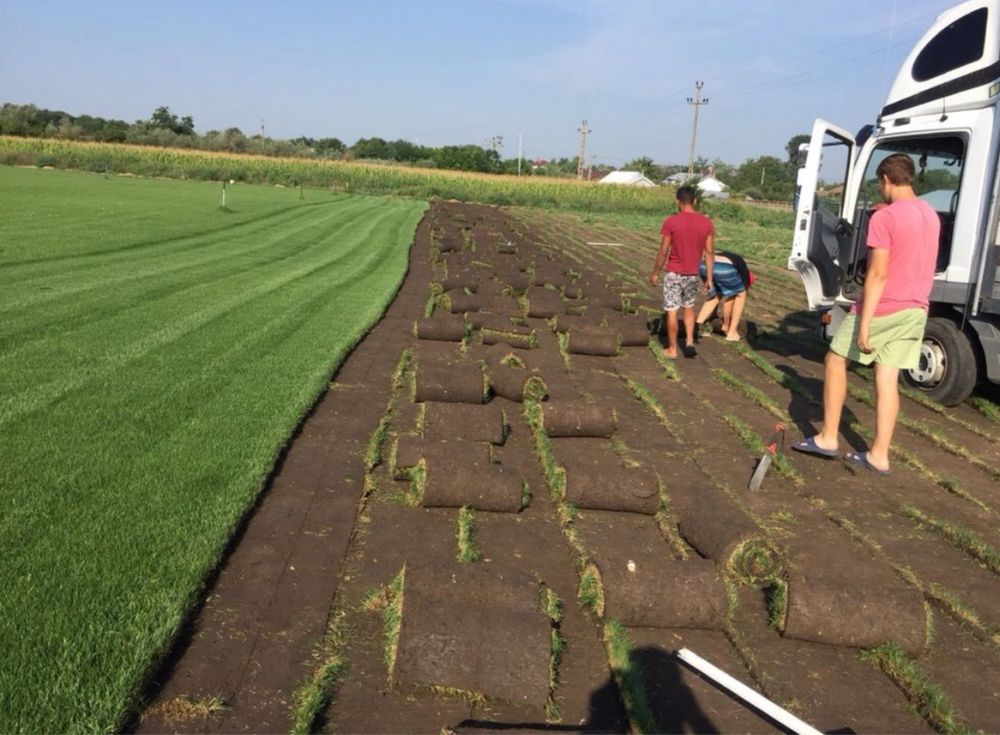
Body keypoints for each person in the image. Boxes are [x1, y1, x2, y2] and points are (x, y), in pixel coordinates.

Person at [792, 153, 940, 474]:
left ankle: (828, 437)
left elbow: (876, 274)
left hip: (885, 307)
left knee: (834, 359)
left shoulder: (884, 218)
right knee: (887, 377)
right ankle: (878, 455)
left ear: (885, 180)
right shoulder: (930, 214)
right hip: (916, 308)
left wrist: (865, 322)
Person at [649, 186, 714, 358]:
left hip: (674, 273)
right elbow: (709, 253)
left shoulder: (672, 221)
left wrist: (655, 272)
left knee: (672, 310)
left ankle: (672, 349)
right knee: (689, 306)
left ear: (678, 201)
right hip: (692, 275)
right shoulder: (706, 223)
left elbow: (663, 250)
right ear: (695, 201)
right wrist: (709, 278)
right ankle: (690, 340)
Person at [695, 251, 756, 341]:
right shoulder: (744, 278)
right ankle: (731, 333)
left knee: (715, 294)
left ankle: (697, 326)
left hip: (704, 265)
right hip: (724, 267)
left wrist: (713, 315)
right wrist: (725, 324)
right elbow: (727, 304)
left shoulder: (736, 262)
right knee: (741, 295)